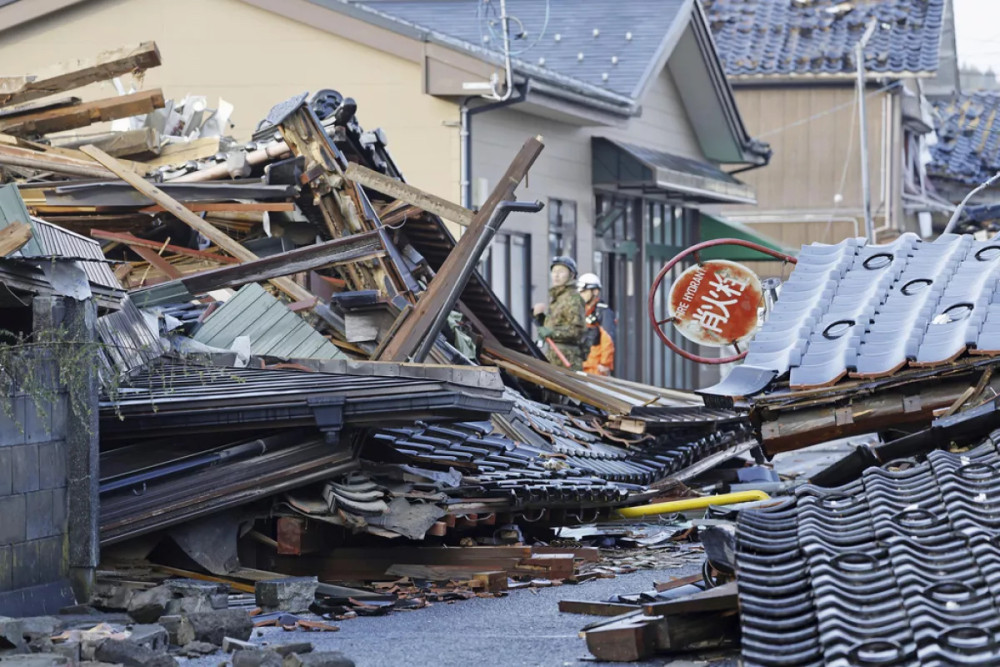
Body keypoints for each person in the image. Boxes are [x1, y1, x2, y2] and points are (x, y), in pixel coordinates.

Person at [532, 256, 587, 370]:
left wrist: (551, 332)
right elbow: (555, 325)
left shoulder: (573, 299)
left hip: (567, 359)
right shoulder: (558, 299)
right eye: (554, 271)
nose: (556, 275)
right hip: (554, 357)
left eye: (561, 271)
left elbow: (576, 331)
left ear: (571, 275)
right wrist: (540, 318)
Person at [577, 272, 617, 376]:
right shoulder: (581, 311)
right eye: (580, 292)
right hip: (580, 364)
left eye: (584, 291)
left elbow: (608, 339)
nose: (581, 295)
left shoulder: (603, 312)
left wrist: (605, 363)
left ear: (595, 291)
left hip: (596, 368)